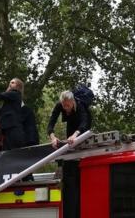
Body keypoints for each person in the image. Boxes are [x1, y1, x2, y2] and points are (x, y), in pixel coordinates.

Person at [47, 90, 92, 218]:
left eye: (68, 105)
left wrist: (76, 135)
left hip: (83, 126)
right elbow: (51, 123)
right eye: (63, 105)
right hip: (71, 123)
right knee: (69, 143)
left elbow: (84, 123)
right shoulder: (60, 105)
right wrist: (53, 137)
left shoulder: (80, 105)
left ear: (73, 102)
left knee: (76, 138)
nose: (65, 108)